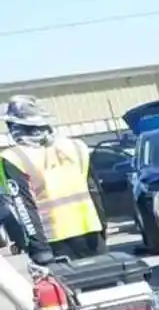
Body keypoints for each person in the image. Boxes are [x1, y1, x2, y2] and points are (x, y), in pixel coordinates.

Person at [0, 95, 104, 263]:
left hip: (53, 242)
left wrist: (38, 249)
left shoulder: (13, 158)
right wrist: (102, 228)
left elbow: (22, 207)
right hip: (92, 234)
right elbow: (95, 192)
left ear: (15, 126)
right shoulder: (77, 147)